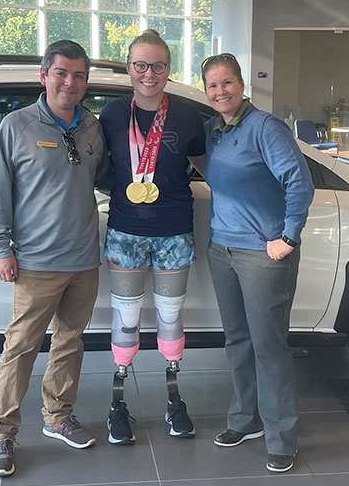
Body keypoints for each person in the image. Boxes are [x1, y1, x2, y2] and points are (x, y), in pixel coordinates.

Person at [0, 40, 113, 477]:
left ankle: (58, 416)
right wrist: (1, 249)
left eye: (79, 75)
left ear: (86, 82)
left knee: (70, 341)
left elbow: (110, 181)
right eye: (61, 73)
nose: (70, 82)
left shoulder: (93, 128)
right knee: (20, 348)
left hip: (83, 260)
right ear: (44, 76)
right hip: (36, 263)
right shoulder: (16, 126)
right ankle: (2, 435)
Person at [201, 53, 314, 473]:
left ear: (242, 84)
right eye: (213, 86)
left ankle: (281, 437)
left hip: (263, 255)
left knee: (269, 347)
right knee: (238, 341)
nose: (220, 92)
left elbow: (298, 182)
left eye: (227, 83)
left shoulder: (266, 127)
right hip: (222, 251)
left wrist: (288, 237)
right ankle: (244, 420)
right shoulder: (213, 130)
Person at [98, 29, 207, 445]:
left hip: (174, 229)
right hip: (126, 230)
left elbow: (208, 166)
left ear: (168, 70)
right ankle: (117, 405)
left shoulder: (185, 115)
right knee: (126, 320)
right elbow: (92, 167)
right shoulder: (110, 115)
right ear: (128, 68)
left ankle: (174, 401)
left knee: (170, 317)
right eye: (140, 65)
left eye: (157, 66)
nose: (149, 74)